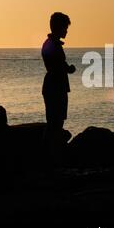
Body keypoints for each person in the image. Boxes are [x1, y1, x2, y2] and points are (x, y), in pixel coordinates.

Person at [41, 12, 75, 160]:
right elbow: (56, 65)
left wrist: (67, 68)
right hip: (55, 87)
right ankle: (51, 155)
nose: (66, 31)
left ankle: (50, 153)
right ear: (59, 27)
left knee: (55, 121)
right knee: (55, 121)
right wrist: (68, 69)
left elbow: (57, 64)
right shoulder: (52, 45)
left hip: (54, 85)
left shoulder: (50, 44)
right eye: (65, 28)